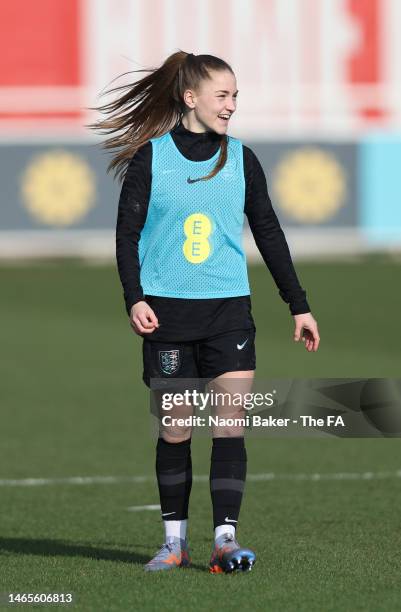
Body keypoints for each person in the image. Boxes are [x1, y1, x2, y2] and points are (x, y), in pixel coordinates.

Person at [88, 50, 320, 574]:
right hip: (167, 316)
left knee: (230, 424)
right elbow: (126, 236)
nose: (232, 105)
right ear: (191, 99)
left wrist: (298, 305)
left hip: (228, 313)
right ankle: (174, 544)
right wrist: (135, 297)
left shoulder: (242, 158)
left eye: (236, 95)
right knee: (175, 430)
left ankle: (224, 540)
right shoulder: (151, 159)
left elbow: (269, 232)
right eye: (223, 95)